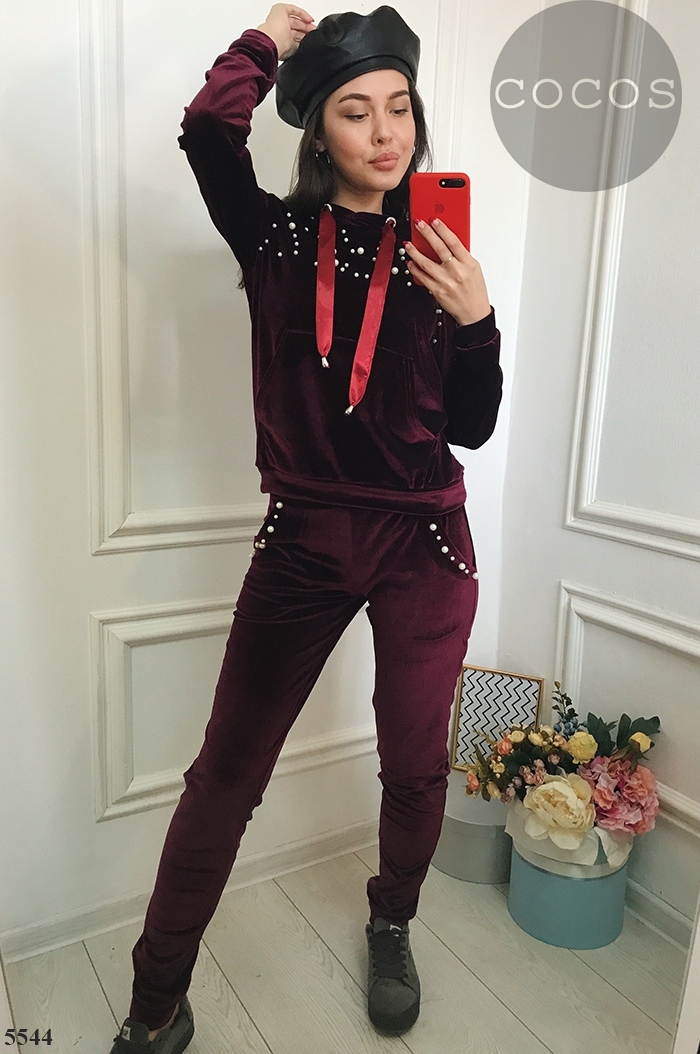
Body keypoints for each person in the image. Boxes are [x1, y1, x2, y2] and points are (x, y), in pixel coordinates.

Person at [109, 4, 502, 1051]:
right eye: (355, 110)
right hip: (305, 540)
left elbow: (470, 427)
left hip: (425, 545)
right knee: (224, 779)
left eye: (400, 108)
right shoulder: (276, 236)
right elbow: (207, 130)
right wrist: (265, 44)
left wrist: (477, 321)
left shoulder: (440, 252)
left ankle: (392, 920)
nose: (385, 132)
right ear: (318, 129)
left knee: (414, 766)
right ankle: (155, 1002)